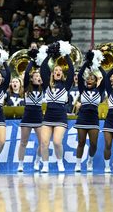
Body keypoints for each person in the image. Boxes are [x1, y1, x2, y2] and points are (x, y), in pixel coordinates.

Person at [39, 45, 74, 173]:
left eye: (60, 70)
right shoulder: (47, 86)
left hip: (60, 118)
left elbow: (71, 70)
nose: (58, 71)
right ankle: (45, 165)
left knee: (57, 142)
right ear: (53, 73)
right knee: (44, 143)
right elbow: (43, 68)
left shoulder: (66, 85)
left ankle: (60, 162)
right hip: (48, 117)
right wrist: (49, 55)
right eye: (55, 70)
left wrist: (66, 55)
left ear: (62, 73)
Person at [74, 60, 106, 172]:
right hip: (82, 118)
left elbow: (105, 77)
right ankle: (77, 164)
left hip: (93, 120)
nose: (89, 80)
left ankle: (90, 160)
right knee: (81, 142)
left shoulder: (99, 90)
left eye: (92, 79)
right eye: (88, 78)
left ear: (96, 82)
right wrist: (86, 64)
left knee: (93, 144)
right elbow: (79, 74)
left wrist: (98, 66)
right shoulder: (82, 89)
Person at [18, 58, 43, 172]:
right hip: (27, 117)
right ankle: (20, 165)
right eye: (36, 76)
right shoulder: (27, 87)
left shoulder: (43, 88)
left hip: (38, 118)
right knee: (23, 142)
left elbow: (46, 73)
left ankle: (37, 161)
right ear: (32, 79)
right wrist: (33, 60)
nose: (38, 78)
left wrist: (42, 61)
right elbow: (27, 72)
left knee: (43, 142)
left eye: (39, 76)